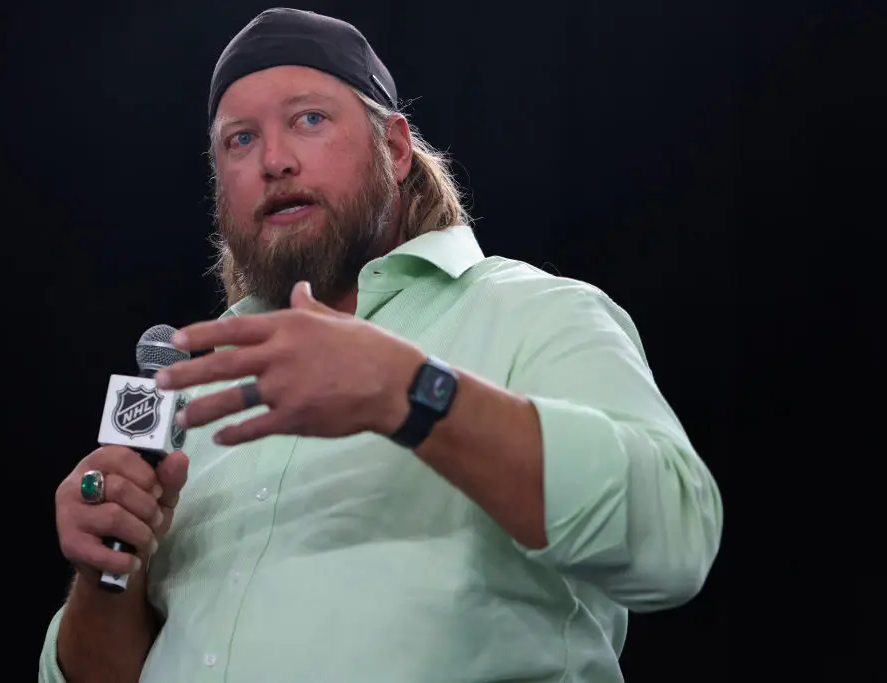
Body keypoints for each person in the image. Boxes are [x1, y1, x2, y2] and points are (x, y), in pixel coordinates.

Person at [39, 8, 723, 683]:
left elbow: (676, 534)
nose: (274, 160)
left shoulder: (531, 313)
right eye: (239, 140)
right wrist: (109, 564)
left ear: (394, 149)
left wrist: (412, 393)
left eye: (309, 119)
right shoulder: (194, 391)